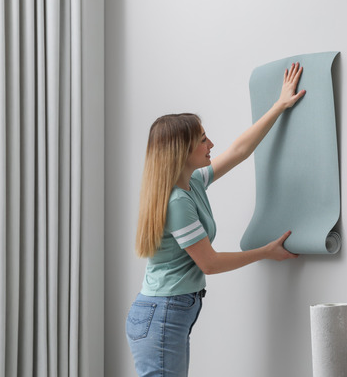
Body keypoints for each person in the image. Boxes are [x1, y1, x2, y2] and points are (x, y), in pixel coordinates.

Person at [126, 62, 306, 377]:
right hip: (163, 314)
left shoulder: (190, 181)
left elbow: (239, 150)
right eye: (203, 140)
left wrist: (280, 104)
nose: (211, 145)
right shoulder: (177, 202)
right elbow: (209, 263)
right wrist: (266, 251)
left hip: (163, 312)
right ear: (182, 150)